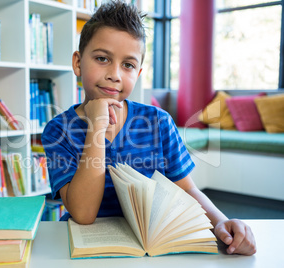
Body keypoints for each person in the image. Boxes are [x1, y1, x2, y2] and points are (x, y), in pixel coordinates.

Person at [41, 0, 256, 256]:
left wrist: (221, 221)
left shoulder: (159, 122)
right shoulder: (57, 131)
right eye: (102, 58)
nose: (115, 74)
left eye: (128, 65)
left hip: (150, 248)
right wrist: (97, 128)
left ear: (139, 72)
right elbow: (84, 214)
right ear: (78, 63)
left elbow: (187, 189)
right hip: (85, 250)